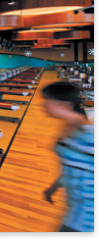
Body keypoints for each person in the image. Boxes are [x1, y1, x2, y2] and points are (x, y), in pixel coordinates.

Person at [42, 82, 94, 232]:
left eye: (47, 100)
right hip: (74, 210)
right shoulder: (70, 125)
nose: (44, 105)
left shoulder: (89, 134)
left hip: (87, 218)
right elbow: (72, 167)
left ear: (63, 104)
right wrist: (53, 188)